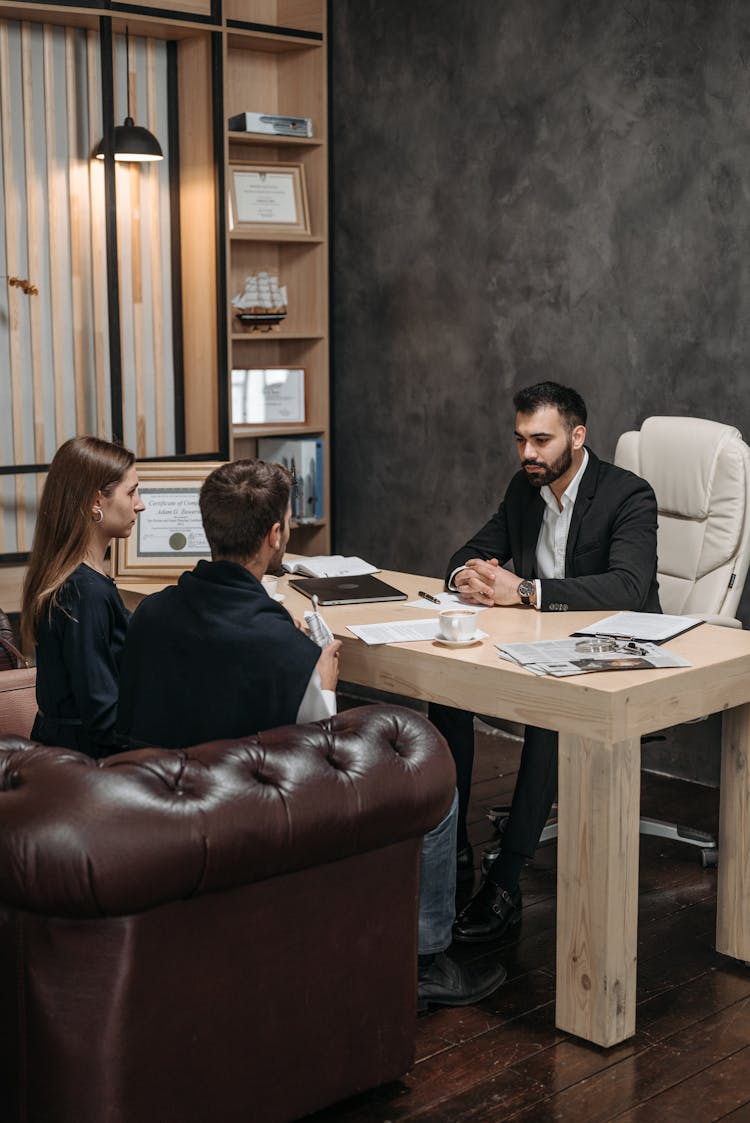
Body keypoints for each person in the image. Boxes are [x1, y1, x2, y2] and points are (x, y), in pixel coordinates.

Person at [118, 458, 507, 1009]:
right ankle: (423, 964)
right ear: (276, 534)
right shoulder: (286, 651)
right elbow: (322, 773)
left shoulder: (151, 614)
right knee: (436, 779)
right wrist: (323, 690)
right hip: (245, 821)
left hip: (156, 808)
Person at [430, 381, 660, 942]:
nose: (528, 453)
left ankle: (506, 884)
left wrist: (527, 591)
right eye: (520, 440)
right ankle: (453, 847)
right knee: (446, 687)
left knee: (549, 715)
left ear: (577, 437)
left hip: (617, 649)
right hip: (537, 641)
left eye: (541, 439)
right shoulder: (524, 489)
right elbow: (466, 554)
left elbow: (629, 587)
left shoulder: (629, 494)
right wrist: (469, 577)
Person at [21, 436, 145, 759]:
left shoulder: (77, 578)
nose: (140, 504)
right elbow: (104, 720)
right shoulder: (85, 593)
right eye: (131, 492)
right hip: (84, 769)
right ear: (95, 502)